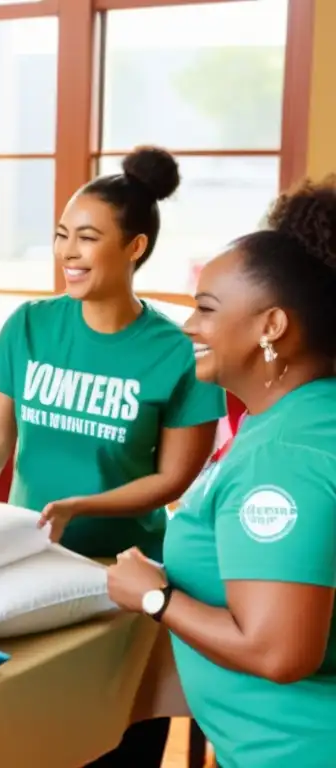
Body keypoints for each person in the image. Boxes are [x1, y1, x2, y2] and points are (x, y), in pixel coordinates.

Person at [0, 147, 227, 766]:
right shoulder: (29, 325)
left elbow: (173, 479)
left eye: (88, 238)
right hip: (29, 560)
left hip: (124, 573)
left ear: (134, 247)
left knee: (121, 734)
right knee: (38, 732)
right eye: (61, 236)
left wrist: (82, 503)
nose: (68, 253)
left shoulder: (178, 353)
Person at [107, 175, 336, 768]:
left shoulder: (283, 454)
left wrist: (155, 598)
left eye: (206, 310)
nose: (188, 326)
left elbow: (279, 651)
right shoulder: (297, 416)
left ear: (272, 327)